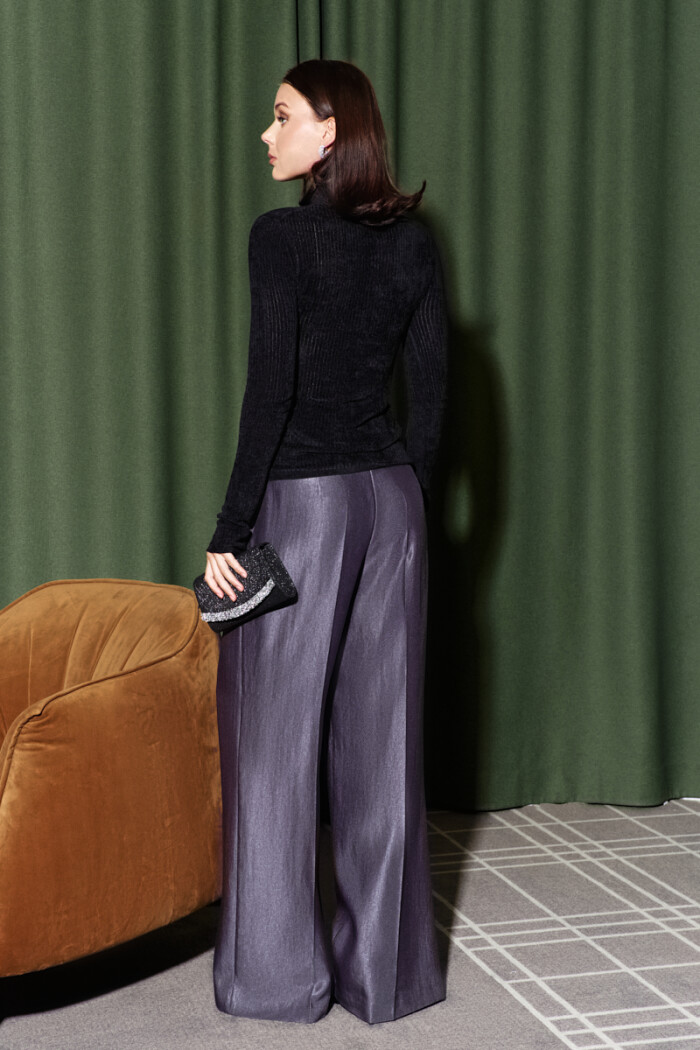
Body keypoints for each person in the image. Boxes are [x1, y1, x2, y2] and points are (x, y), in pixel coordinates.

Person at [203, 58, 447, 1025]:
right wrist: (409, 503)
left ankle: (274, 980)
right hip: (394, 503)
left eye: (282, 116)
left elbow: (270, 389)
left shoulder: (282, 238)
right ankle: (386, 979)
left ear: (331, 129)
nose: (268, 135)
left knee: (270, 743)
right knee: (383, 746)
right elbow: (432, 394)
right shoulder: (415, 245)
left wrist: (230, 529)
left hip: (303, 505)